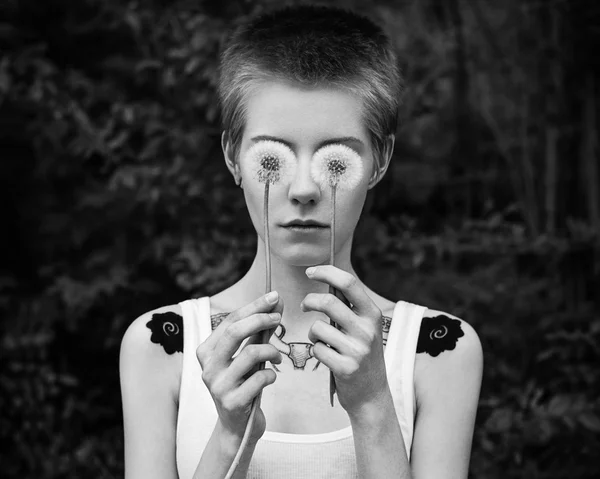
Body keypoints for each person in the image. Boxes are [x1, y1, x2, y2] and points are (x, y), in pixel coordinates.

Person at [119, 4, 483, 479]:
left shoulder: (439, 352)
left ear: (380, 160)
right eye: (274, 159)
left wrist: (373, 404)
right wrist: (230, 435)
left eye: (335, 162)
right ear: (233, 156)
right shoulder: (160, 346)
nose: (305, 188)